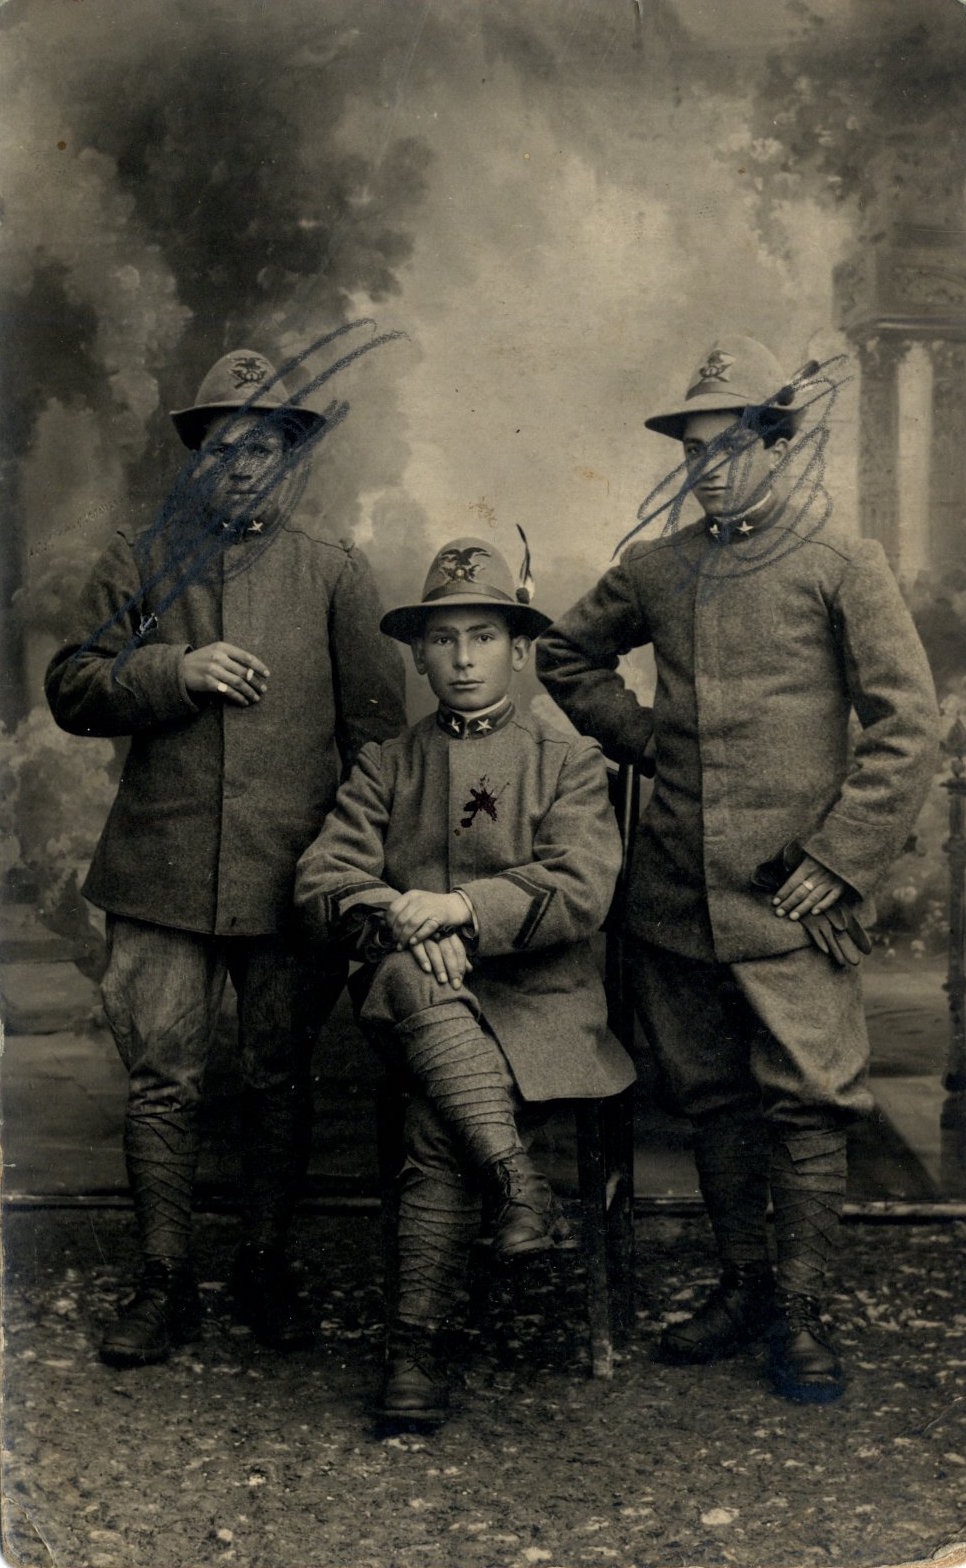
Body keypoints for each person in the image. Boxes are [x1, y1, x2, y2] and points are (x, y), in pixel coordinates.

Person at [536, 334, 939, 1404]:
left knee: (807, 1101)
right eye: (693, 449)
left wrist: (840, 857)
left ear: (779, 445)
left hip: (791, 894)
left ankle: (800, 1312)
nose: (708, 468)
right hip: (676, 890)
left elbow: (908, 727)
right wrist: (643, 737)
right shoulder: (658, 567)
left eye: (730, 445)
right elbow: (563, 653)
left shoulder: (839, 560)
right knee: (713, 1096)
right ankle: (744, 1285)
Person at [45, 347, 406, 1367]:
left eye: (262, 448)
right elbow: (72, 685)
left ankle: (264, 1263)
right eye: (221, 447)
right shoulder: (142, 558)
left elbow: (379, 737)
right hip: (158, 872)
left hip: (293, 874)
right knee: (162, 1079)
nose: (240, 466)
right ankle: (163, 1279)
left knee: (277, 1076)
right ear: (197, 457)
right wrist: (174, 667)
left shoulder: (334, 568)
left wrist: (350, 862)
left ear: (293, 457)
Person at [295, 536, 635, 1425]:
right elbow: (323, 881)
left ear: (519, 650)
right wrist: (403, 917)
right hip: (424, 998)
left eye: (483, 637)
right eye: (442, 640)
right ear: (418, 656)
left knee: (434, 1122)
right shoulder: (387, 763)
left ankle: (413, 1353)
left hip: (542, 1004)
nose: (463, 659)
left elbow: (581, 887)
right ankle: (518, 1182)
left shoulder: (566, 758)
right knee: (410, 972)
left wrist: (457, 910)